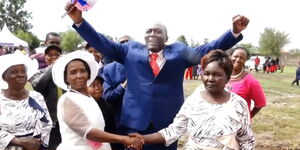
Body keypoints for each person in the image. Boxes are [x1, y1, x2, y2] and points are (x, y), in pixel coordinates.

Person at [65, 3, 249, 150]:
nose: (152, 34)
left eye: (157, 31)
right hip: (133, 124)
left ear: (166, 37)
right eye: (149, 31)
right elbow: (101, 42)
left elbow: (208, 48)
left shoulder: (179, 53)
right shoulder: (129, 50)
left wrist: (234, 32)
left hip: (167, 125)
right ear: (144, 37)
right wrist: (80, 21)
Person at [131, 50, 255, 149]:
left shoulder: (239, 104)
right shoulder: (193, 101)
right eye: (206, 73)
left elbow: (246, 142)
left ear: (227, 78)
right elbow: (173, 130)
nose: (210, 79)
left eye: (217, 75)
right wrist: (143, 138)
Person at [51, 50, 143, 150]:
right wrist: (123, 139)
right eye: (73, 72)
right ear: (66, 78)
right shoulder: (67, 99)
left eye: (83, 71)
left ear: (89, 74)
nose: (79, 75)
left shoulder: (89, 98)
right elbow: (88, 132)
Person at [0, 53, 52, 150]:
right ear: (4, 76)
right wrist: (19, 142)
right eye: (14, 72)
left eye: (23, 71)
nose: (20, 75)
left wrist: (35, 142)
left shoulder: (36, 96)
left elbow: (47, 122)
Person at [30, 45, 63, 150]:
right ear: (45, 58)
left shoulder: (66, 74)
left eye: (57, 55)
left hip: (66, 119)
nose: (54, 57)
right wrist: (53, 67)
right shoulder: (39, 73)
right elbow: (37, 85)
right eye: (50, 55)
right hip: (50, 121)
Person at [226, 47, 267, 118]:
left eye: (242, 58)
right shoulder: (222, 75)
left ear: (245, 61)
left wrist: (248, 117)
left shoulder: (251, 81)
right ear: (230, 57)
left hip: (239, 124)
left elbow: (260, 103)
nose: (238, 60)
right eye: (235, 56)